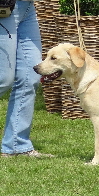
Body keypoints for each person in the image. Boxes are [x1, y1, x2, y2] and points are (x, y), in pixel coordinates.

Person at [0, 0, 53, 157]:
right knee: (3, 79)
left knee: (30, 76)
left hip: (27, 7)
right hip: (4, 6)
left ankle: (17, 144)